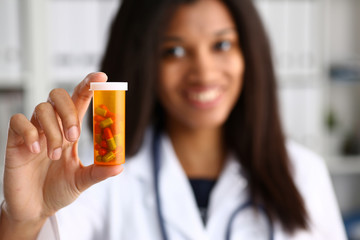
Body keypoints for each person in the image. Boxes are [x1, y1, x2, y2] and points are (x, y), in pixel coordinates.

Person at [0, 0, 347, 239]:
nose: (204, 72)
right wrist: (24, 222)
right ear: (143, 62)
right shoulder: (95, 180)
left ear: (249, 53)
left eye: (222, 45)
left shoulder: (305, 172)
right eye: (174, 51)